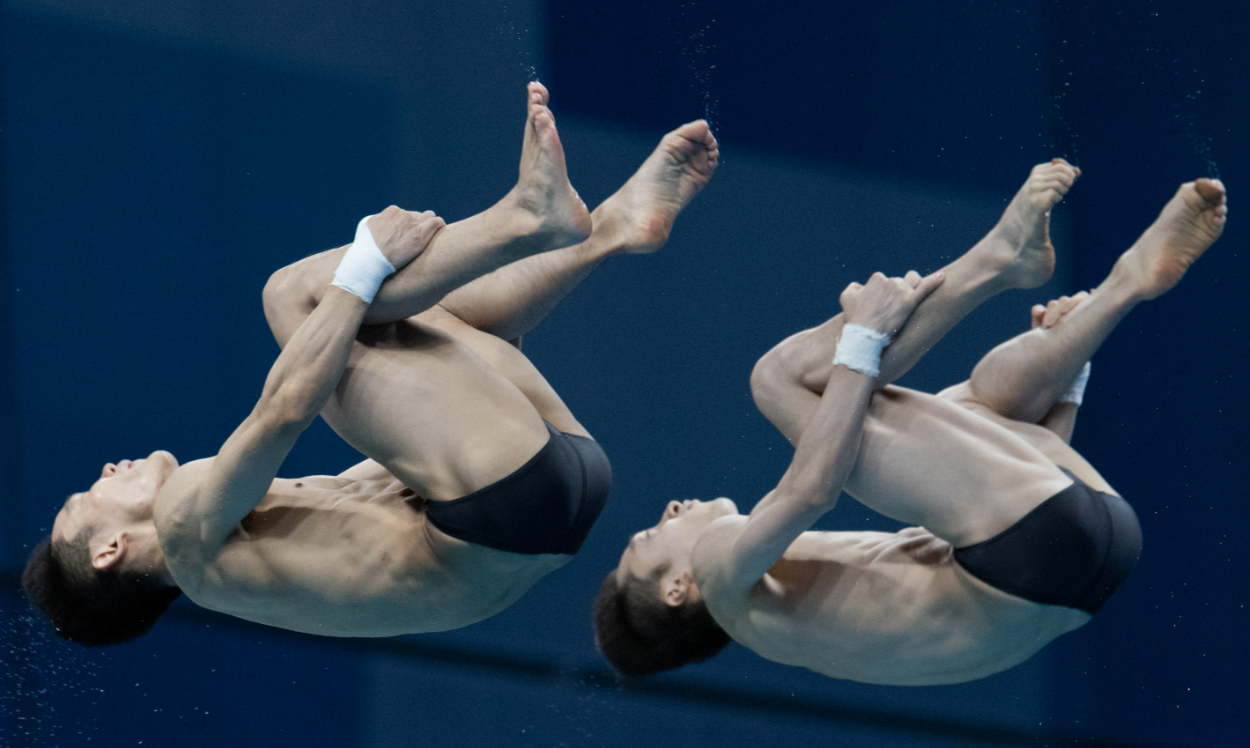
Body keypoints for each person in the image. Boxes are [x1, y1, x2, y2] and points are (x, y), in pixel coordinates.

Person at [24, 82, 720, 646]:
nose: (105, 470)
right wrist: (367, 262)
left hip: (549, 497)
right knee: (294, 298)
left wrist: (406, 333)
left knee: (395, 325)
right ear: (111, 549)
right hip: (499, 504)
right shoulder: (184, 527)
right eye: (83, 498)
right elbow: (285, 409)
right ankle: (526, 217)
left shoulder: (247, 561)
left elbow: (392, 460)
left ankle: (607, 232)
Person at [595, 162, 1227, 685]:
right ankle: (1004, 261)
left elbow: (1045, 530)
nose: (670, 510)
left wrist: (1064, 387)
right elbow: (812, 489)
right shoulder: (718, 570)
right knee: (780, 380)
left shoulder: (790, 617)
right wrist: (862, 340)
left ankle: (1107, 305)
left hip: (1092, 552)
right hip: (1033, 548)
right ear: (680, 589)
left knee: (975, 403)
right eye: (649, 538)